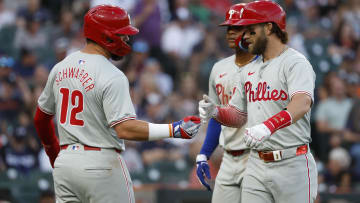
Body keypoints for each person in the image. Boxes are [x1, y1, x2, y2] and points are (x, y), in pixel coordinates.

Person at [33, 5, 201, 203]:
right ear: (106, 36)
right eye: (122, 34)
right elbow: (125, 129)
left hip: (66, 165)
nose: (127, 39)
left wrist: (56, 156)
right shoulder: (112, 74)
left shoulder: (60, 68)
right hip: (101, 163)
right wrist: (174, 129)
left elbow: (40, 119)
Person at [198, 1, 318, 203]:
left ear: (269, 27)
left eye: (250, 30)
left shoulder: (295, 62)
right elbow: (238, 116)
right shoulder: (248, 71)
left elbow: (302, 103)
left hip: (292, 162)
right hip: (255, 164)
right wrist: (216, 112)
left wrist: (268, 126)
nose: (244, 36)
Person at [195, 3, 257, 203]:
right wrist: (204, 153)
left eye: (237, 28)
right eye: (229, 28)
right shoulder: (219, 68)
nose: (231, 32)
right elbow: (216, 116)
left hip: (258, 157)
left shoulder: (267, 67)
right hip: (228, 158)